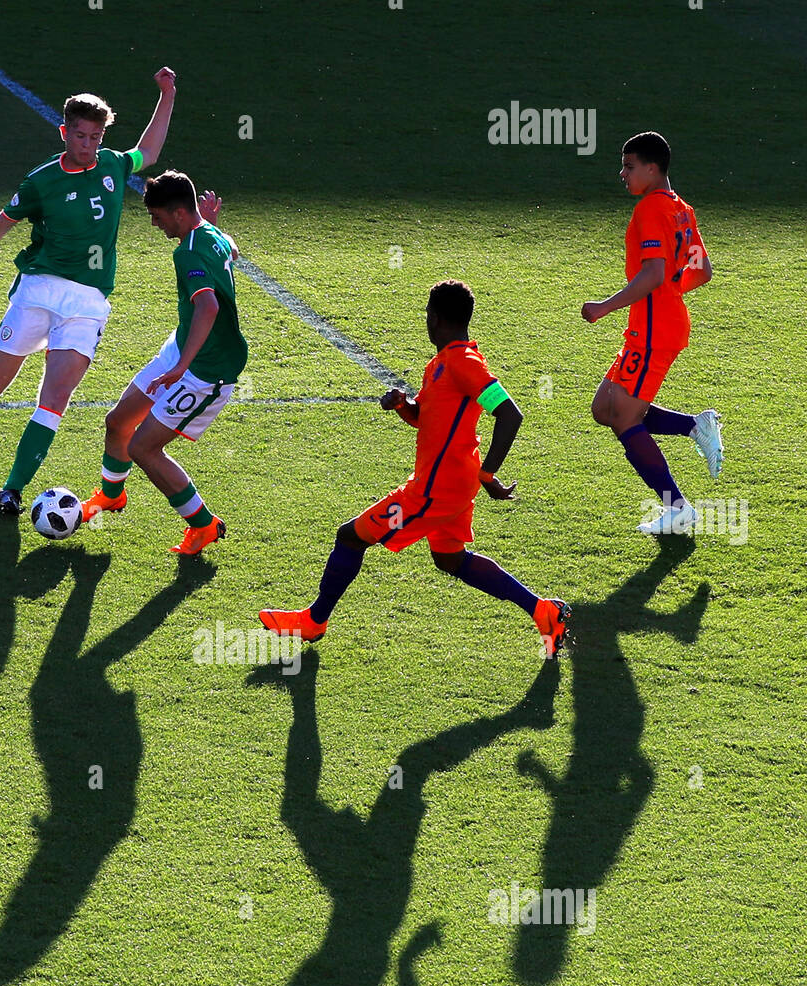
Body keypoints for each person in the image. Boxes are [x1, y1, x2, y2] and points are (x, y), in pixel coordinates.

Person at [259, 280, 571, 656]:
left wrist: (489, 474)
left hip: (435, 491)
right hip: (451, 484)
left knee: (351, 536)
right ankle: (544, 611)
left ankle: (313, 622)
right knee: (450, 559)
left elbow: (509, 414)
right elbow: (427, 417)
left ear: (436, 319)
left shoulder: (464, 363)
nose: (426, 320)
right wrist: (404, 405)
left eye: (427, 314)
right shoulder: (441, 363)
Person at [0, 70, 176, 516]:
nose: (88, 145)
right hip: (39, 290)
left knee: (54, 398)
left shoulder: (113, 164)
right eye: (80, 135)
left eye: (95, 136)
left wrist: (167, 94)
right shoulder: (41, 182)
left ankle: (11, 490)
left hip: (89, 303)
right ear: (64, 132)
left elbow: (148, 151)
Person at [81, 171, 248, 555]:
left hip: (208, 370)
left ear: (177, 213)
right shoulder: (208, 234)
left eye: (157, 216)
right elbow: (232, 252)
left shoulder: (187, 251)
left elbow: (208, 306)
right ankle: (110, 495)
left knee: (143, 448)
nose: (154, 223)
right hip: (183, 348)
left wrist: (180, 369)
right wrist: (209, 223)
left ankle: (203, 525)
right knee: (118, 421)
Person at [582, 131, 723, 535]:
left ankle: (677, 508)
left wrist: (605, 306)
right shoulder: (682, 209)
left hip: (653, 331)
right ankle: (694, 426)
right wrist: (669, 293)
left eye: (629, 166)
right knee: (604, 407)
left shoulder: (649, 210)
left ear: (652, 167)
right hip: (659, 323)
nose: (622, 173)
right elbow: (702, 271)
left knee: (624, 417)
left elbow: (653, 273)